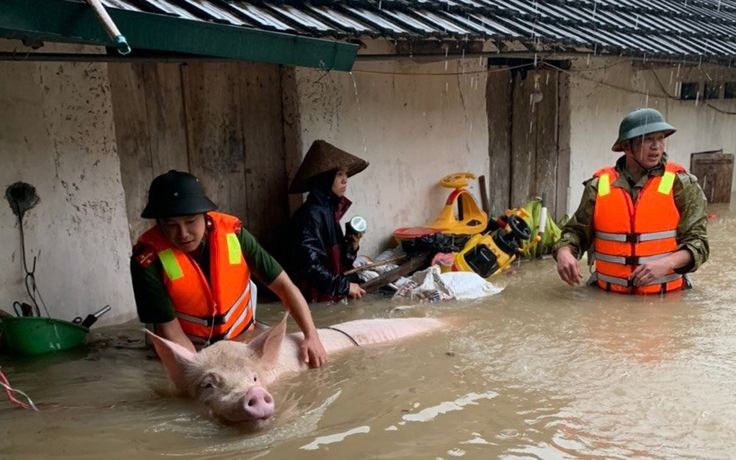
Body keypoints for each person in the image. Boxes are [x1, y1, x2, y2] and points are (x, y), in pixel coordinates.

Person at [130, 170, 327, 367]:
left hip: (242, 341)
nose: (183, 233)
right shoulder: (147, 259)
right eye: (170, 224)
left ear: (205, 216)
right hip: (188, 350)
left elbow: (284, 286)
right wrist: (200, 372)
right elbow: (170, 330)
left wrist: (311, 335)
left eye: (190, 221)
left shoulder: (234, 235)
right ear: (158, 223)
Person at [554, 108, 709, 294]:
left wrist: (667, 263)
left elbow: (699, 243)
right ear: (627, 147)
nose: (656, 146)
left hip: (665, 299)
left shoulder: (681, 184)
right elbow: (576, 233)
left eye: (660, 138)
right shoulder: (598, 185)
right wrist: (564, 252)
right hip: (608, 298)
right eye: (647, 139)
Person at [288, 140, 369, 303]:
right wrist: (345, 287)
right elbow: (309, 267)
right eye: (339, 174)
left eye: (345, 174)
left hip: (329, 297)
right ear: (324, 178)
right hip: (312, 300)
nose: (345, 180)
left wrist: (351, 248)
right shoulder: (309, 215)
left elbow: (335, 264)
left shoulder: (329, 210)